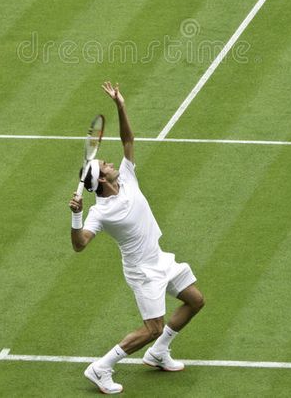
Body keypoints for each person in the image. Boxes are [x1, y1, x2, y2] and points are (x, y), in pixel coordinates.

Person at [69, 81, 205, 395]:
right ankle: (101, 367)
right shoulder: (100, 212)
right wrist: (76, 216)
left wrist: (120, 105)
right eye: (104, 164)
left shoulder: (127, 178)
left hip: (159, 259)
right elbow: (80, 245)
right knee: (151, 327)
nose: (111, 162)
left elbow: (128, 139)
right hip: (143, 273)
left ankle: (158, 352)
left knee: (195, 300)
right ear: (101, 179)